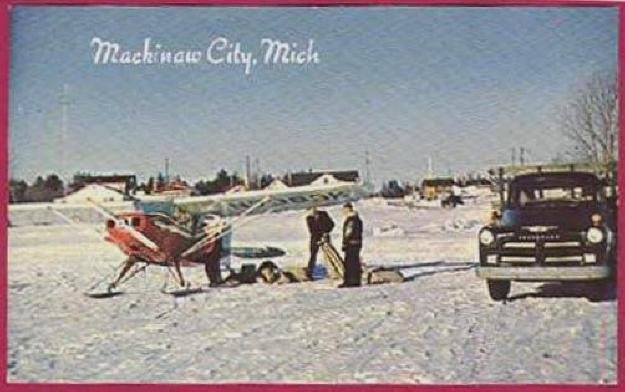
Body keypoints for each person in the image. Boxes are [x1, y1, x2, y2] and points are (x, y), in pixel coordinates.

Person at [305, 205, 335, 279]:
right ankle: (309, 272)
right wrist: (318, 239)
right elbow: (312, 230)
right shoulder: (309, 218)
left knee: (329, 254)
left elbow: (331, 224)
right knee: (313, 255)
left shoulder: (323, 214)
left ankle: (332, 271)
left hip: (324, 235)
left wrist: (325, 232)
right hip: (315, 237)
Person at [340, 202, 363, 288]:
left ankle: (350, 281)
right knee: (354, 262)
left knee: (350, 263)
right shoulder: (357, 219)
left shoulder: (351, 220)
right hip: (356, 243)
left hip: (351, 244)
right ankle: (354, 280)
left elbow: (348, 233)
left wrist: (345, 243)